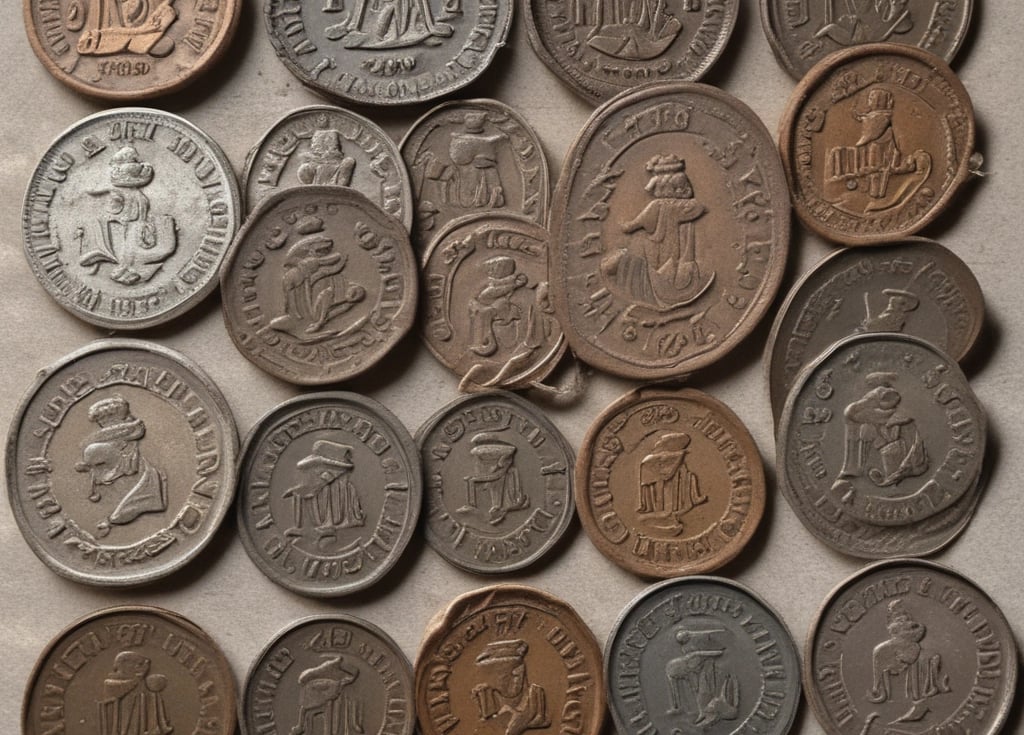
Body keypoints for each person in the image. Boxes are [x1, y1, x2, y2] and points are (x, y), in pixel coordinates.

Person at [75, 395, 167, 537]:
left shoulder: (151, 486)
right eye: (88, 469)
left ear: (127, 450)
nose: (94, 481)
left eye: (100, 465)